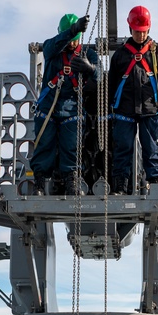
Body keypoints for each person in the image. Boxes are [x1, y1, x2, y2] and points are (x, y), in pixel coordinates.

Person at [108, 5, 158, 196]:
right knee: (123, 148)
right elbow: (111, 83)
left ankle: (154, 182)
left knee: (150, 147)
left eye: (143, 31)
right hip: (124, 109)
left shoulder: (157, 51)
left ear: (149, 29)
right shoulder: (121, 55)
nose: (140, 35)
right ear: (130, 29)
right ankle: (120, 187)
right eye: (137, 31)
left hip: (149, 109)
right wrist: (108, 111)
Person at [29, 13, 99, 196]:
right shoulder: (53, 50)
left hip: (72, 106)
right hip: (49, 106)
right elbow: (52, 45)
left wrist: (91, 69)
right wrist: (72, 31)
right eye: (70, 38)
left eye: (76, 40)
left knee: (72, 146)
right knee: (44, 144)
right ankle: (39, 182)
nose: (73, 44)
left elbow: (101, 78)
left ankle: (72, 180)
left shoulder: (87, 54)